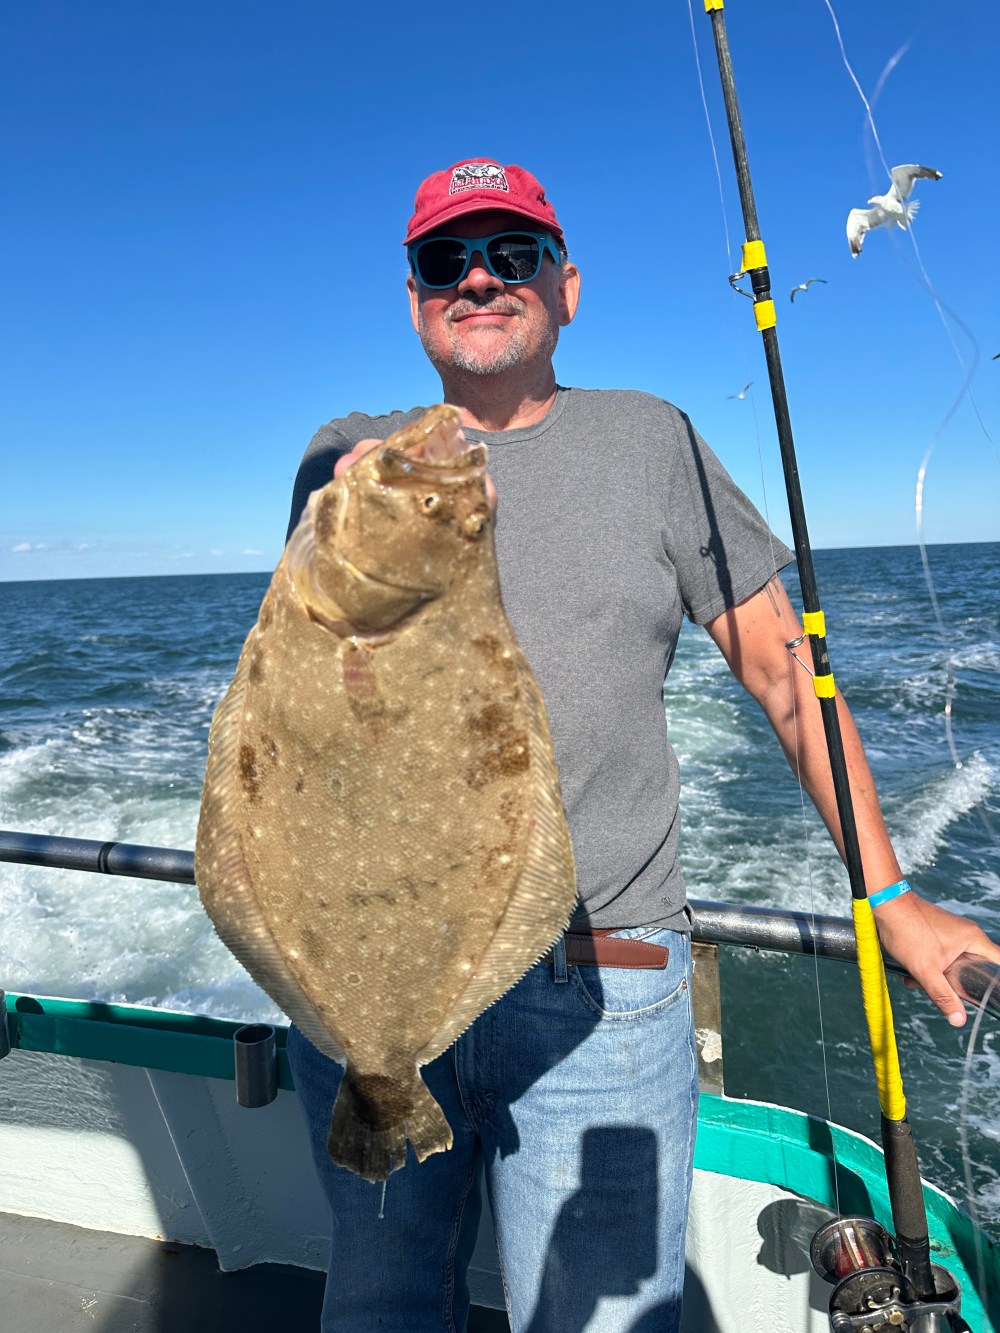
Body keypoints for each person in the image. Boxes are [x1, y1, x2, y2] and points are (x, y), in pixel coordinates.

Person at [284, 158, 1000, 1333]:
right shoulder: (349, 456)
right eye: (444, 259)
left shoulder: (652, 442)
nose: (478, 278)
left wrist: (890, 893)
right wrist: (342, 506)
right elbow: (301, 664)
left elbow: (782, 672)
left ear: (567, 288)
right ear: (414, 300)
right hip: (375, 981)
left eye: (513, 254)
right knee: (376, 1303)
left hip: (596, 977)